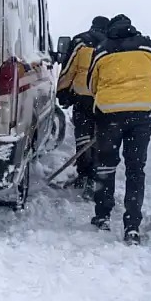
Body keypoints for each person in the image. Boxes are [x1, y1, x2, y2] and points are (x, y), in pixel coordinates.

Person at [86, 14, 151, 245]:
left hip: (109, 116)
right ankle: (132, 226)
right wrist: (148, 75)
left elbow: (91, 84)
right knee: (135, 169)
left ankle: (102, 215)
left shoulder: (103, 49)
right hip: (140, 115)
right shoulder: (146, 45)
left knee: (105, 165)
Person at [55, 15, 109, 200]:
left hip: (83, 98)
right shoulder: (112, 44)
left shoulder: (80, 41)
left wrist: (62, 92)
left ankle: (85, 174)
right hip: (104, 100)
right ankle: (95, 178)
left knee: (83, 137)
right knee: (99, 139)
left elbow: (69, 68)